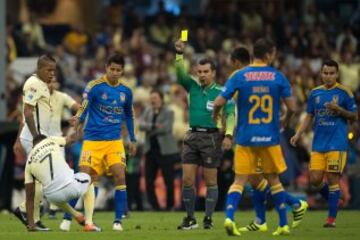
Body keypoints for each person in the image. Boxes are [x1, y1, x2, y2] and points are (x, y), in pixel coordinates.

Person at [213, 38, 296, 236]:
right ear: (269, 54)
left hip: (245, 137)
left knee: (239, 181)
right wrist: (286, 118)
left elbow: (218, 102)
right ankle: (283, 224)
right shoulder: (278, 76)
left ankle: (229, 218)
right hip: (270, 137)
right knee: (274, 181)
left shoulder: (240, 75)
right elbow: (292, 107)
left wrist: (216, 114)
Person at [229, 47, 308, 233]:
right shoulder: (269, 76)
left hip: (249, 135)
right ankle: (264, 218)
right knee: (256, 180)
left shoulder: (239, 76)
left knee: (254, 178)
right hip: (259, 132)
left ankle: (294, 205)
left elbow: (229, 106)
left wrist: (227, 129)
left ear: (235, 62)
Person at [174, 39, 236, 230]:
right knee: (187, 180)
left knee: (210, 181)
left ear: (213, 73)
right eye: (199, 72)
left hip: (212, 138)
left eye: (205, 72)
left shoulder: (223, 92)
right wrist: (179, 55)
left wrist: (228, 135)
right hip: (192, 136)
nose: (201, 75)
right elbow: (179, 74)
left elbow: (230, 114)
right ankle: (190, 218)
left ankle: (208, 219)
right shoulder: (192, 86)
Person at [73, 52, 137, 232]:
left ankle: (118, 221)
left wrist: (132, 138)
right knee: (85, 180)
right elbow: (84, 107)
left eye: (118, 70)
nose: (115, 72)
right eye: (112, 69)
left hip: (114, 142)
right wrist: (78, 119)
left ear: (123, 71)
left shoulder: (126, 91)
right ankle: (77, 218)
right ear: (106, 68)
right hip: (92, 141)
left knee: (120, 175)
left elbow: (129, 116)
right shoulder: (95, 86)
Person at [290, 59, 358, 228]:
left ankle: (331, 219)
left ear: (337, 74)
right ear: (321, 74)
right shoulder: (315, 93)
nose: (328, 76)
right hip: (319, 144)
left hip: (337, 143)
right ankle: (336, 199)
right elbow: (309, 116)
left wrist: (339, 110)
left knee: (333, 178)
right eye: (325, 73)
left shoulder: (345, 93)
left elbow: (354, 116)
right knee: (314, 179)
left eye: (332, 73)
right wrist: (298, 133)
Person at [13, 54, 56, 231]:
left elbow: (27, 115)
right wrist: (36, 136)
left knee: (41, 179)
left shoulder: (42, 84)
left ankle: (28, 213)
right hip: (34, 138)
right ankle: (29, 214)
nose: (52, 73)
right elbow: (27, 112)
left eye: (54, 70)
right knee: (43, 178)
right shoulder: (33, 84)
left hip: (38, 136)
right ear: (39, 69)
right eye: (48, 70)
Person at [25, 134, 89, 231]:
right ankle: (89, 222)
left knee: (53, 191)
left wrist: (31, 224)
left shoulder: (29, 161)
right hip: (71, 187)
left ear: (33, 147)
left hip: (52, 197)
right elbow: (70, 139)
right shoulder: (50, 140)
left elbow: (29, 197)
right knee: (91, 177)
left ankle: (77, 215)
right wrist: (76, 126)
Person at [139, 89, 178, 210]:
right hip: (150, 150)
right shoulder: (147, 110)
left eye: (155, 97)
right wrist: (154, 126)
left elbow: (166, 128)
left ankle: (170, 206)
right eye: (151, 98)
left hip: (165, 151)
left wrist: (149, 128)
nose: (152, 100)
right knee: (149, 181)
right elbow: (140, 125)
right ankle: (155, 206)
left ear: (161, 99)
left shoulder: (169, 112)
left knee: (168, 180)